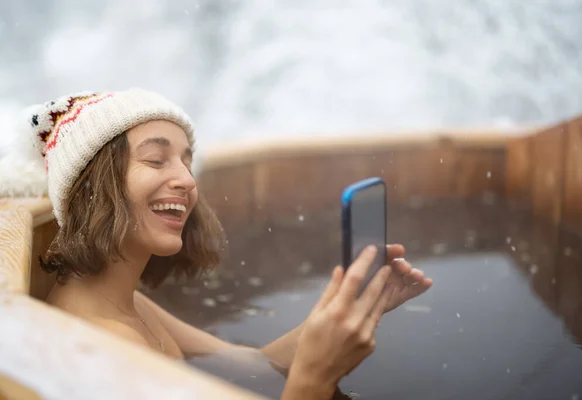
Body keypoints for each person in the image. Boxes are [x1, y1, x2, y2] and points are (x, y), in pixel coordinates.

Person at [4, 88, 433, 399]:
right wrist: (316, 378)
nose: (187, 181)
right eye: (156, 159)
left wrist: (344, 311)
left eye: (187, 162)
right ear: (94, 187)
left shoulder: (121, 303)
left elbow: (254, 363)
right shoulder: (101, 351)